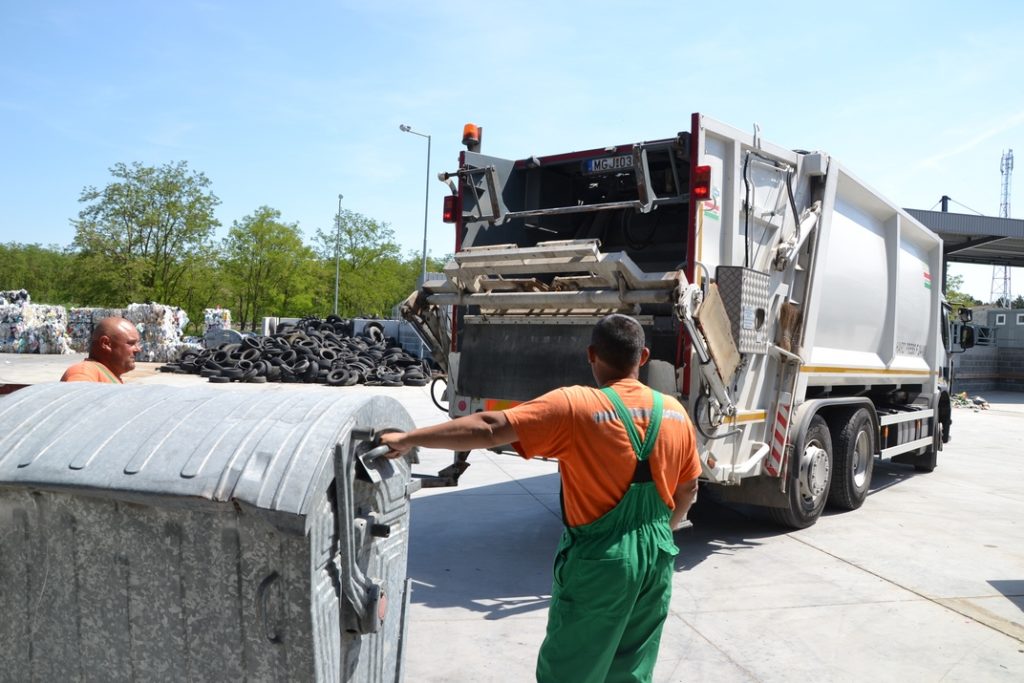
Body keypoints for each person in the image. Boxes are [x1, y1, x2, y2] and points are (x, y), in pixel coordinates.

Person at [380, 313, 701, 682]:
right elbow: (689, 489)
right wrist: (663, 533)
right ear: (643, 357)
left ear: (591, 354)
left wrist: (409, 438)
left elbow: (489, 428)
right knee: (630, 670)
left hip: (602, 561)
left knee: (568, 671)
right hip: (658, 558)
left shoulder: (578, 406)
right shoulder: (674, 412)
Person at [60, 316, 142, 384]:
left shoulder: (106, 374)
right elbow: (77, 399)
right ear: (105, 344)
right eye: (131, 343)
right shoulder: (84, 371)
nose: (138, 349)